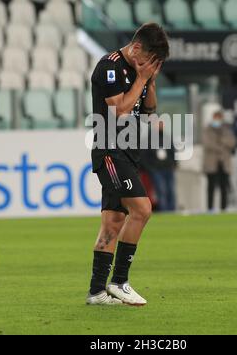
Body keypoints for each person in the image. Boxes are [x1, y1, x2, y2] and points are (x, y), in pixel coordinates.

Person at [87, 23, 170, 305]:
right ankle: (120, 281)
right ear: (135, 49)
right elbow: (119, 112)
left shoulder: (139, 71)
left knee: (113, 221)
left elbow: (148, 110)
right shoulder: (108, 67)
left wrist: (150, 81)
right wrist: (140, 79)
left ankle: (97, 292)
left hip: (128, 152)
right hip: (110, 151)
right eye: (147, 61)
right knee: (143, 209)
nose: (147, 67)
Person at [203, 111, 237, 212]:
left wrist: (221, 142)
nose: (217, 120)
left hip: (224, 163)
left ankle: (224, 208)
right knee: (211, 187)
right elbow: (207, 144)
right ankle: (210, 208)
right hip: (211, 163)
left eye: (219, 118)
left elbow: (233, 142)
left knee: (224, 187)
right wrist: (222, 146)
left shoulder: (226, 130)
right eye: (215, 118)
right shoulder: (207, 129)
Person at [141, 121, 177, 212]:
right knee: (161, 190)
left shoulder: (166, 137)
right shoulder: (148, 140)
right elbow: (144, 156)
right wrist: (150, 168)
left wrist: (174, 164)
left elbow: (172, 152)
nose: (160, 126)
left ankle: (172, 210)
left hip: (168, 168)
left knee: (171, 190)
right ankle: (164, 210)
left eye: (161, 124)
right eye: (158, 124)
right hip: (156, 170)